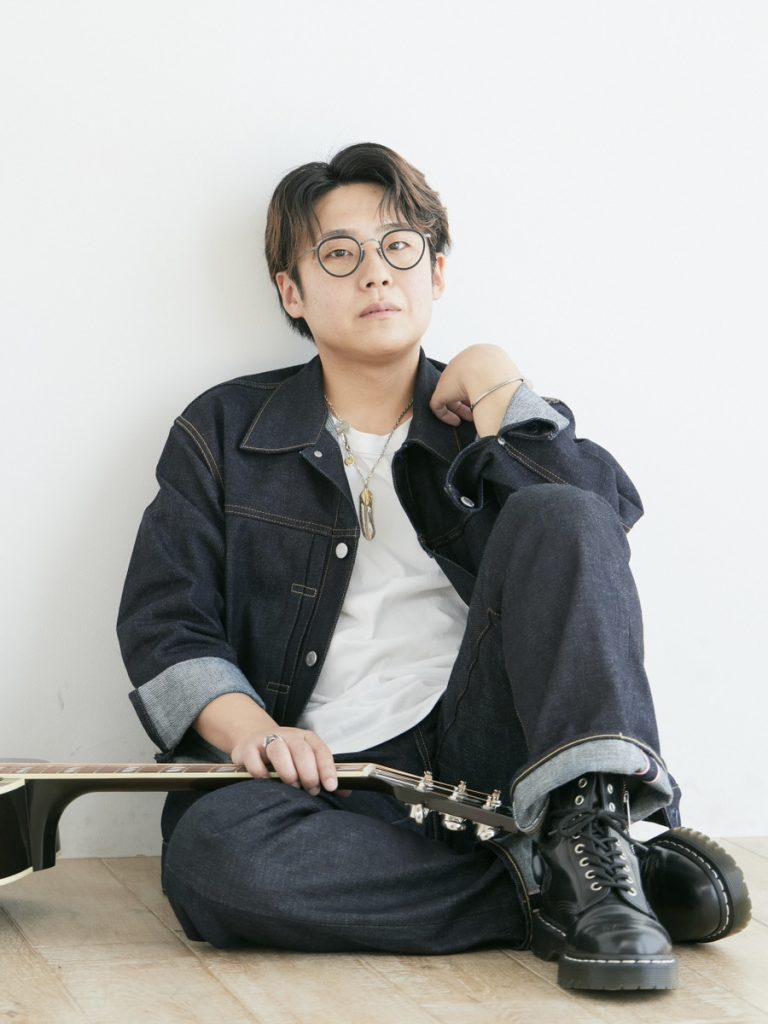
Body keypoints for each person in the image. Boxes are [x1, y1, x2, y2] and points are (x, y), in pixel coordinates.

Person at [117, 142, 749, 992]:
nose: (375, 272)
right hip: (323, 782)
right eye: (339, 254)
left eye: (398, 246)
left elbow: (596, 529)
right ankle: (573, 886)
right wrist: (255, 731)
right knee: (214, 860)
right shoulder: (224, 431)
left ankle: (588, 838)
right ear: (292, 292)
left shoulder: (488, 417)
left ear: (437, 271)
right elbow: (167, 624)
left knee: (558, 509)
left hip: (488, 755)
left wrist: (501, 393)